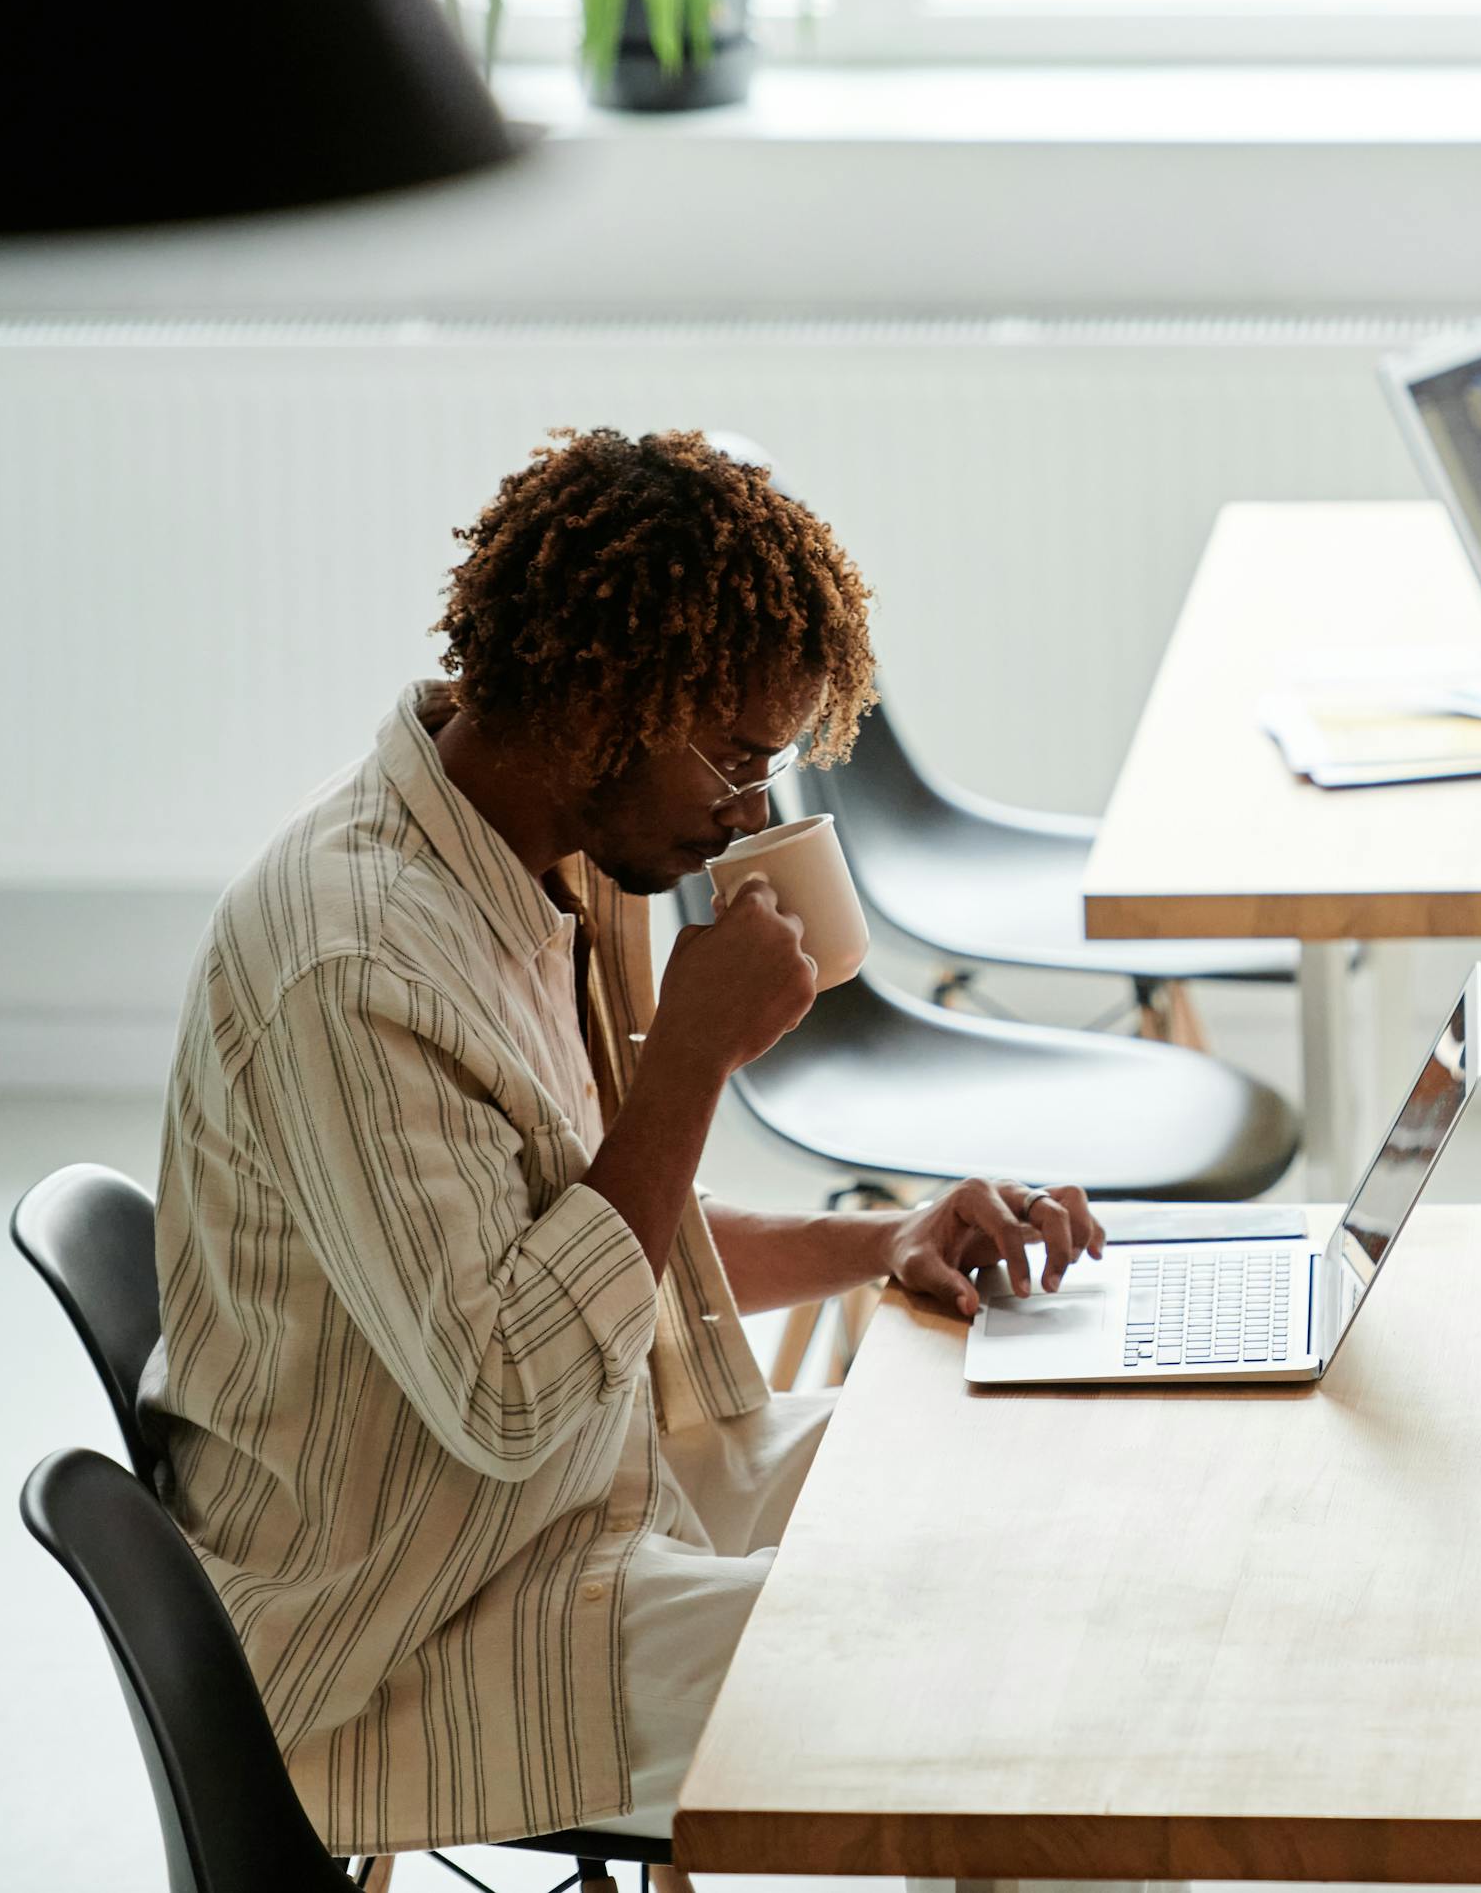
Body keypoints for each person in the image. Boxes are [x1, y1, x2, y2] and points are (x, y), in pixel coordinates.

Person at [143, 428, 1104, 1857]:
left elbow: (589, 1232)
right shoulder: (353, 967)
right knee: (1016, 1691)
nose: (750, 813)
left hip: (605, 1487)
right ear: (604, 699)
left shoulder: (550, 869)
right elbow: (510, 1386)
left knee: (1041, 1494)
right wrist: (691, 1067)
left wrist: (876, 1241)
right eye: (735, 759)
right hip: (422, 1626)